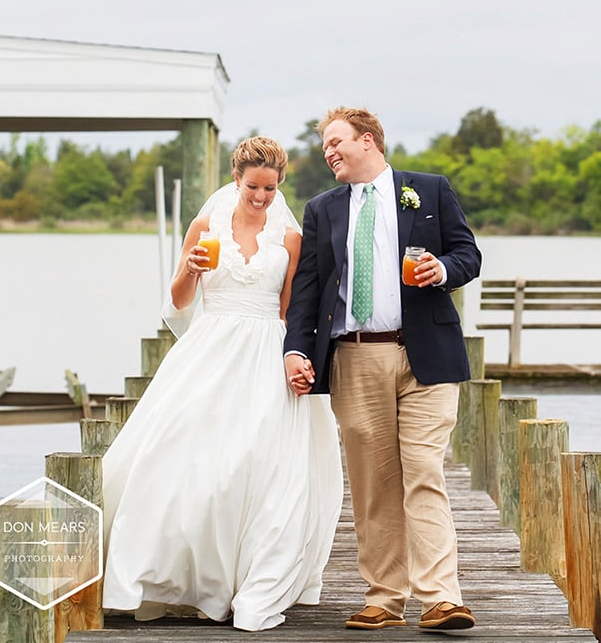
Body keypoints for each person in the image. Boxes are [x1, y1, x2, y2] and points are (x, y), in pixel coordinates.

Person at [102, 136, 343, 632]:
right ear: (236, 179)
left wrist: (292, 359)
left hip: (266, 351)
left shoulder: (290, 238)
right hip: (211, 346)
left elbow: (289, 311)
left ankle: (250, 574)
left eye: (270, 189)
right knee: (185, 455)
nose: (260, 197)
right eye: (253, 186)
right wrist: (190, 270)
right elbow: (178, 299)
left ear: (280, 186)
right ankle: (178, 575)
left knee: (261, 462)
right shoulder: (206, 225)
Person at [284, 107, 481, 632]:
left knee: (424, 472)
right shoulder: (321, 209)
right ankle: (384, 597)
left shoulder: (429, 190)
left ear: (367, 141)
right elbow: (307, 291)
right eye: (324, 145)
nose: (328, 152)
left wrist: (443, 269)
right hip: (354, 356)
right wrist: (296, 351)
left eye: (335, 142)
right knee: (373, 484)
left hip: (427, 355)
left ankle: (441, 597)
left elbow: (468, 252)